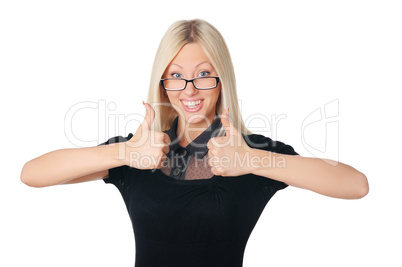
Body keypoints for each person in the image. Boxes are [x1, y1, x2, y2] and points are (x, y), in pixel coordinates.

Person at [20, 18, 369, 267]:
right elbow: (32, 174)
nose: (189, 89)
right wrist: (124, 152)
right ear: (162, 84)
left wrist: (252, 161)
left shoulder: (248, 152)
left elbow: (356, 184)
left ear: (221, 80)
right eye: (176, 75)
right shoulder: (139, 152)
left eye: (203, 74)